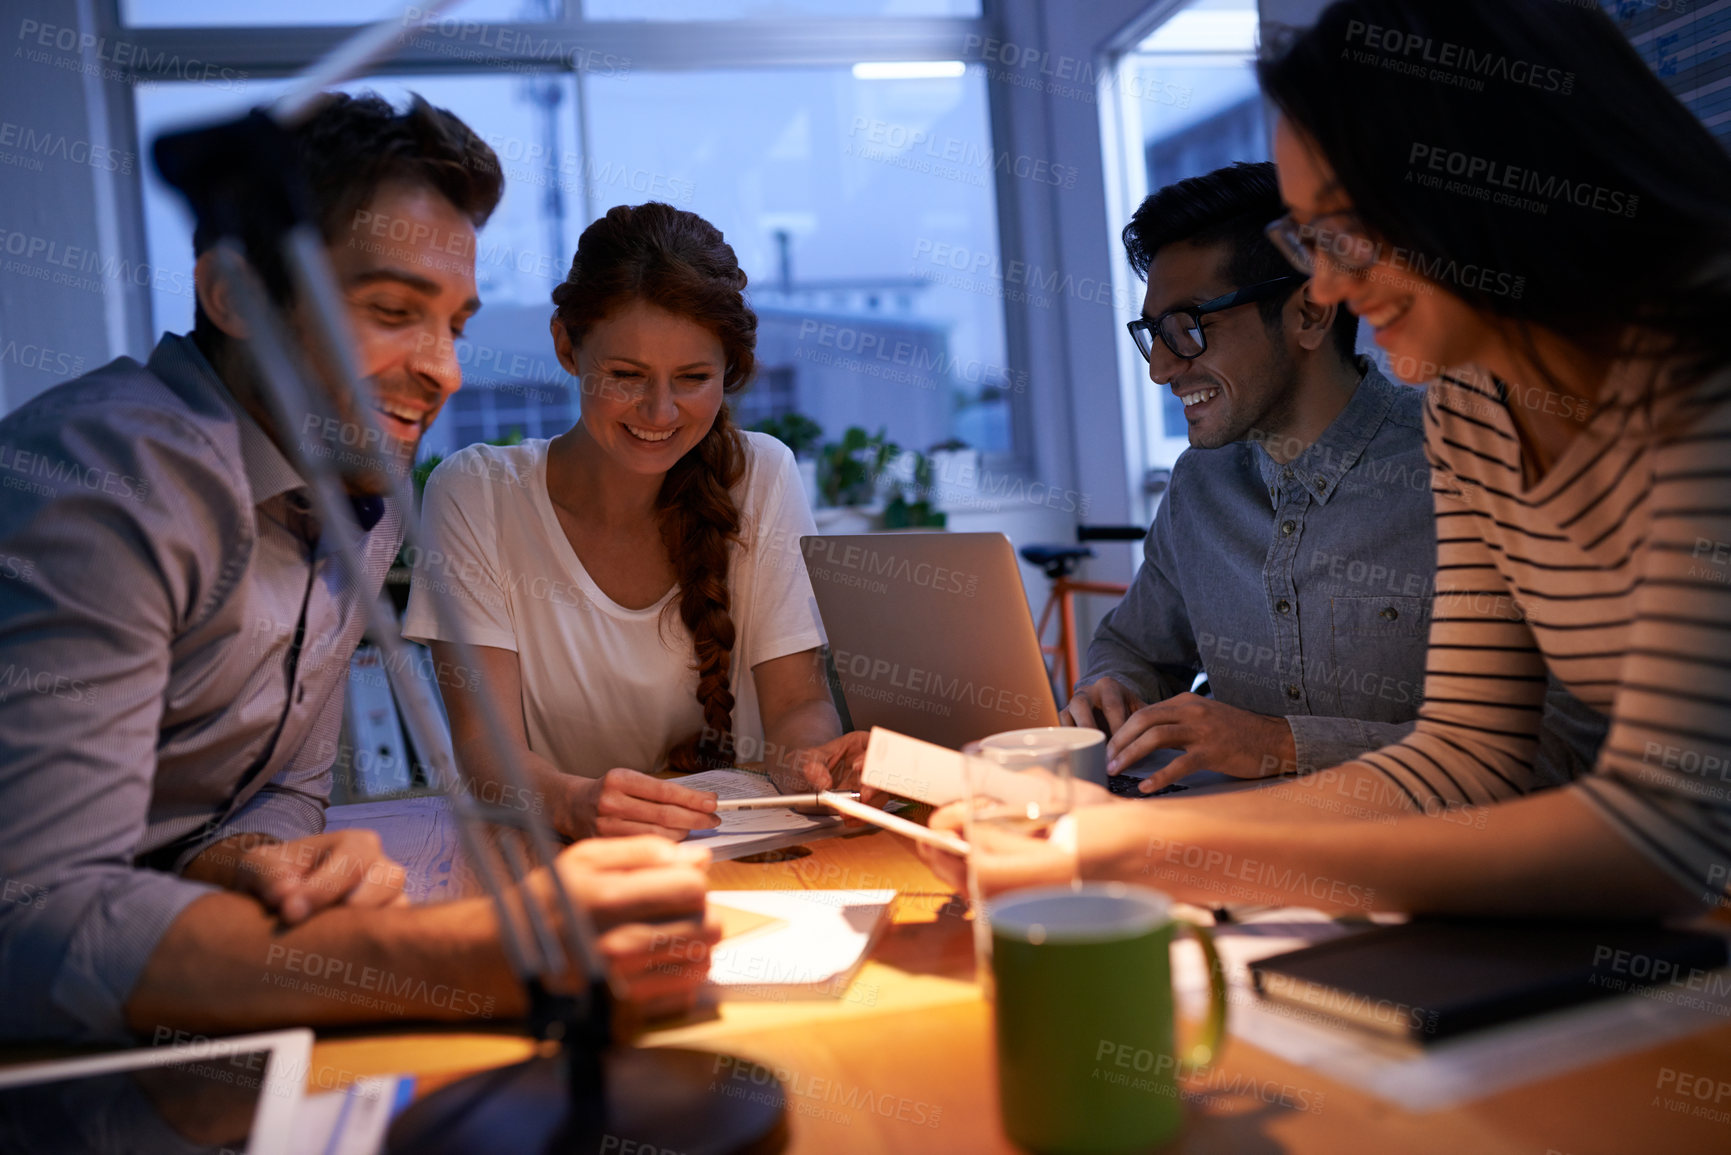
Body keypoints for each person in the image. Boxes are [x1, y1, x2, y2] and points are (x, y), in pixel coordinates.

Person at [919, 0, 1731, 918]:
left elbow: (1666, 834)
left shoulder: (1699, 365)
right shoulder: (1472, 408)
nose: (1333, 284)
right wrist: (1113, 839)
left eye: (1342, 232)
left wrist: (1148, 853)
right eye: (1309, 243)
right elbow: (1462, 755)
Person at [0, 94, 715, 1044]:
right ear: (232, 294)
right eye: (391, 311)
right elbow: (33, 930)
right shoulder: (106, 483)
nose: (444, 369)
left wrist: (253, 861)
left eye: (454, 324)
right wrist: (480, 957)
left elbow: (277, 790)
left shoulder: (350, 496)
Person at [406, 202, 852, 843]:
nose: (660, 411)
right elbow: (485, 754)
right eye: (625, 375)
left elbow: (798, 707)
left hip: (740, 856)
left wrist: (811, 762)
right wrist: (574, 803)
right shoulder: (476, 492)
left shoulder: (762, 474)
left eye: (694, 378)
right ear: (566, 345)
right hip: (563, 868)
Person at [1064, 161, 1441, 792]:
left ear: (1310, 315)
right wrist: (1113, 690)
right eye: (1154, 334)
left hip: (1433, 876)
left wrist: (1281, 745)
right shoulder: (1199, 487)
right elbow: (1136, 648)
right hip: (1232, 866)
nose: (1160, 369)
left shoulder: (1458, 468)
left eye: (1188, 328)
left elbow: (1541, 751)